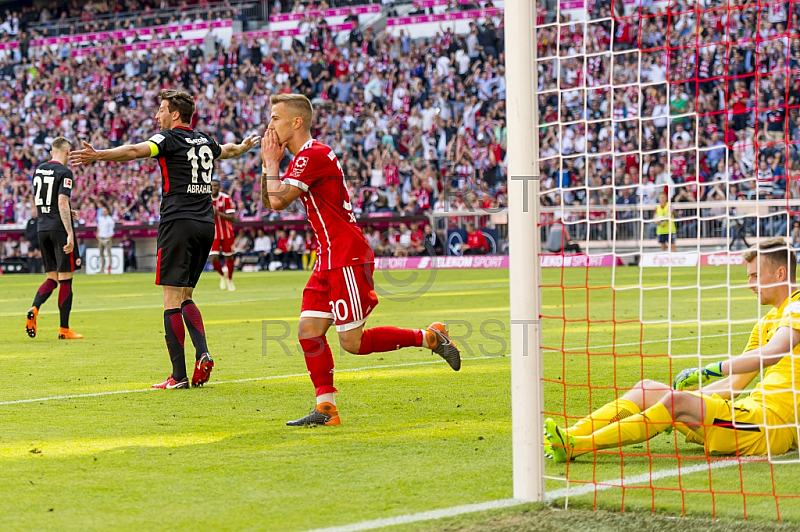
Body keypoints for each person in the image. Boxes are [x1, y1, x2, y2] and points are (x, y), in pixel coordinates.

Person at [260, 93, 461, 426]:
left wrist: (270, 163)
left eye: (275, 118)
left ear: (296, 122)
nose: (270, 125)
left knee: (352, 343)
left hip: (345, 255)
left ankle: (428, 337)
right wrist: (272, 165)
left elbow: (278, 200)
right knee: (309, 330)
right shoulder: (304, 158)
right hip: (327, 257)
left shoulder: (314, 154)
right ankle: (326, 408)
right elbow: (273, 200)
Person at [544, 237, 800, 462]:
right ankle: (570, 434)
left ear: (779, 274)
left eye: (755, 276)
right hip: (746, 416)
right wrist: (694, 397)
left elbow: (771, 354)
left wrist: (709, 370)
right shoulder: (766, 321)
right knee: (649, 389)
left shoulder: (798, 305)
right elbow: (734, 384)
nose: (749, 284)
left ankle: (576, 447)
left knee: (677, 400)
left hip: (771, 426)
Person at [69, 89, 260, 389]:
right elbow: (230, 149)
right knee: (186, 296)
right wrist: (246, 147)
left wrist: (98, 155)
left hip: (177, 223)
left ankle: (179, 376)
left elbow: (134, 151)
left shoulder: (167, 139)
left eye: (161, 109)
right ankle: (204, 353)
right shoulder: (205, 140)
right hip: (205, 225)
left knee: (171, 299)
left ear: (174, 114)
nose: (157, 115)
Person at [25, 137, 83, 340]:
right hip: (58, 229)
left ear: (52, 152)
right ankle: (64, 329)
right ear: (67, 152)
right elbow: (61, 201)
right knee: (66, 280)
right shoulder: (65, 172)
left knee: (52, 277)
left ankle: (34, 307)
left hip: (42, 227)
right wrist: (69, 232)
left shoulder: (39, 169)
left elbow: (41, 200)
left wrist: (67, 211)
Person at [210, 177, 237, 291]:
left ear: (219, 187)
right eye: (212, 186)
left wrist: (218, 212)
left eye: (216, 186)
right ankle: (222, 275)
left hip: (226, 232)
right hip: (213, 233)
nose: (214, 188)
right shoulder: (206, 199)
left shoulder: (225, 198)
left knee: (229, 256)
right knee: (213, 258)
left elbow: (232, 218)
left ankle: (230, 279)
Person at [96, 206, 115, 274]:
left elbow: (111, 231)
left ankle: (109, 268)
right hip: (101, 238)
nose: (103, 212)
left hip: (107, 238)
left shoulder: (110, 220)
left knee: (108, 253)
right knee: (101, 254)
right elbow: (99, 227)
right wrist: (97, 234)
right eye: (103, 211)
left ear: (107, 211)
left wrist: (109, 238)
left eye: (105, 211)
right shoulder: (100, 219)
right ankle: (102, 269)